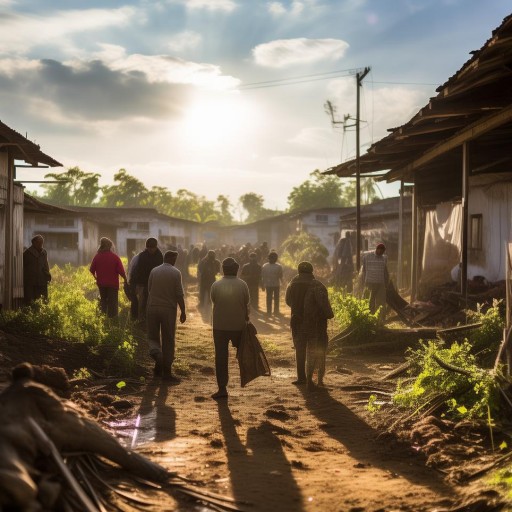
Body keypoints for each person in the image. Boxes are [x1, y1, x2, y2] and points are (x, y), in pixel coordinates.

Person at [286, 261, 333, 389]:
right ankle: (312, 380)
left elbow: (288, 301)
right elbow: (325, 306)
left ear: (299, 271)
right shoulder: (317, 285)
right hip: (314, 323)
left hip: (296, 322)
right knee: (314, 350)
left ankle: (300, 377)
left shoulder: (292, 284)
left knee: (299, 349)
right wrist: (328, 314)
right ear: (311, 271)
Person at [210, 257, 250, 399]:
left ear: (223, 269)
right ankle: (246, 379)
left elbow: (214, 300)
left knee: (221, 357)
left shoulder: (216, 284)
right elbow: (246, 304)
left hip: (220, 326)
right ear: (236, 270)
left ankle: (222, 388)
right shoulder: (243, 285)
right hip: (238, 326)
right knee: (244, 354)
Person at [146, 250, 186, 381]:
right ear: (172, 259)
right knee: (168, 339)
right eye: (175, 259)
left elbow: (149, 289)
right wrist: (183, 310)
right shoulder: (176, 273)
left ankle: (157, 359)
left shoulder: (154, 271)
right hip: (168, 309)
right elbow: (179, 294)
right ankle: (167, 372)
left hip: (152, 308)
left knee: (153, 337)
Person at [89, 237, 127, 318]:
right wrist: (126, 280)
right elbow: (121, 272)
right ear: (110, 246)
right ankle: (113, 321)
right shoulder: (115, 257)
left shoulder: (97, 256)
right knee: (113, 304)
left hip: (101, 284)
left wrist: (96, 278)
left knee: (103, 302)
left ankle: (103, 319)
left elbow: (91, 270)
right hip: (113, 285)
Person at [131, 238, 164, 322]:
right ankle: (141, 318)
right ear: (146, 247)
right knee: (142, 302)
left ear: (156, 247)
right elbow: (138, 270)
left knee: (154, 302)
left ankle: (153, 318)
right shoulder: (142, 255)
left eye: (152, 248)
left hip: (155, 283)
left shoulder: (160, 256)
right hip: (143, 282)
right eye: (149, 248)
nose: (151, 250)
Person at [361, 243, 389, 324]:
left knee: (381, 302)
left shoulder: (384, 258)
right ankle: (368, 319)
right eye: (380, 250)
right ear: (377, 249)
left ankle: (380, 320)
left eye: (383, 252)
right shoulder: (367, 257)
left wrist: (386, 281)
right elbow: (364, 270)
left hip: (380, 283)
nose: (381, 253)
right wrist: (364, 281)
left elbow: (385, 271)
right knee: (369, 301)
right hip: (369, 282)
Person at [23, 234, 51, 305]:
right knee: (31, 301)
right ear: (34, 243)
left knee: (43, 301)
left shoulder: (44, 252)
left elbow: (46, 265)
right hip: (31, 282)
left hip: (42, 281)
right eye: (39, 242)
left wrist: (48, 275)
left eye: (42, 242)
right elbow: (24, 268)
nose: (41, 244)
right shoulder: (27, 253)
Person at [260, 251, 283, 316]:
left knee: (270, 298)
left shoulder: (265, 266)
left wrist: (262, 285)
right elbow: (280, 276)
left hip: (270, 284)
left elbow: (263, 276)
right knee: (275, 298)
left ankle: (269, 312)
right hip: (275, 284)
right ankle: (275, 312)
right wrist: (283, 283)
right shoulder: (278, 266)